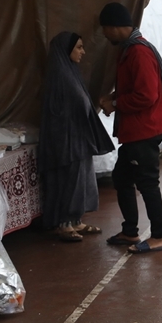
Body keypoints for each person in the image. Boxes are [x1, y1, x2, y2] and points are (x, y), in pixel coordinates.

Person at [98, 2, 162, 255]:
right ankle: (130, 230)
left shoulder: (138, 52)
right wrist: (114, 96)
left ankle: (160, 236)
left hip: (145, 129)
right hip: (137, 129)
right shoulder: (130, 50)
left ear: (114, 27)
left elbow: (146, 95)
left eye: (105, 29)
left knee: (147, 182)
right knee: (122, 177)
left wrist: (116, 103)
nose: (104, 35)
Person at [38, 32, 116, 242]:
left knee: (82, 178)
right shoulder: (59, 77)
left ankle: (75, 219)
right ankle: (64, 223)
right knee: (69, 180)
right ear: (66, 50)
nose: (83, 51)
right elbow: (59, 113)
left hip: (78, 138)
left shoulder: (71, 72)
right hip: (66, 141)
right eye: (79, 47)